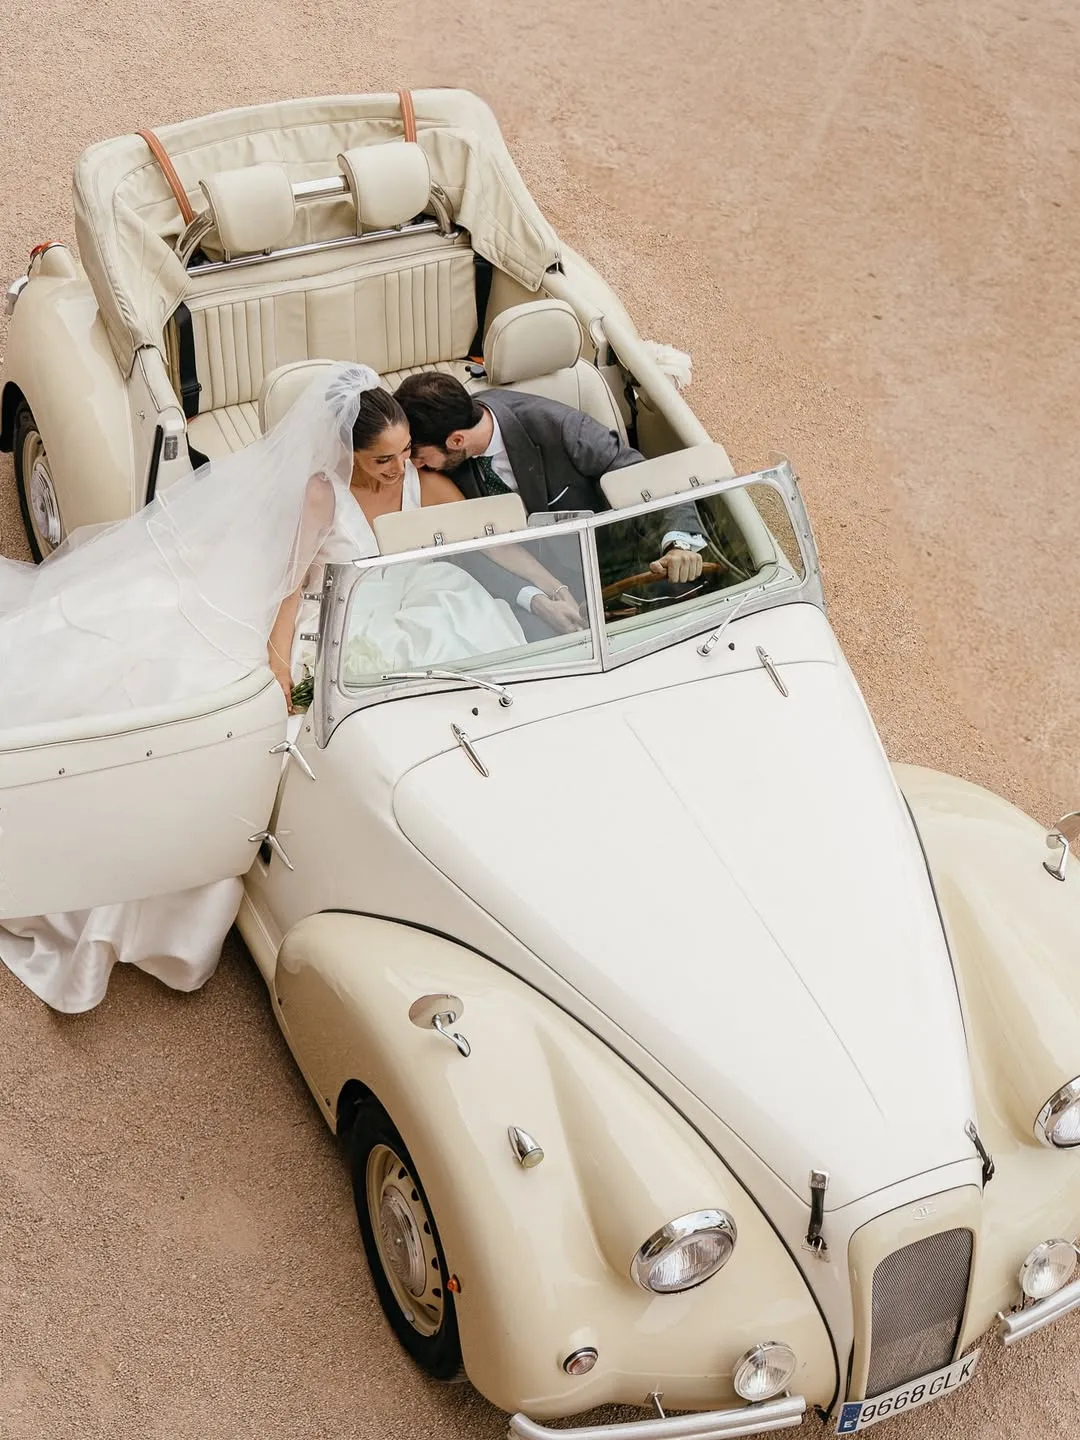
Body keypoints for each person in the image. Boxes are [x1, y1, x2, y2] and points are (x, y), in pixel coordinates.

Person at [0, 365, 562, 1012]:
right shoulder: (321, 496)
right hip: (328, 619)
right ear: (346, 450)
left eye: (405, 453)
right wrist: (277, 671)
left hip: (415, 609)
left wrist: (546, 590)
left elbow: (493, 542)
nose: (397, 467)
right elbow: (293, 586)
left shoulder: (424, 483)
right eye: (381, 458)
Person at [393, 373, 708, 615]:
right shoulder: (447, 458)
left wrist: (679, 543)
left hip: (614, 567)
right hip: (526, 588)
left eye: (418, 456)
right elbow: (469, 545)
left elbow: (642, 476)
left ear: (457, 441)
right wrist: (535, 597)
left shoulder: (563, 429)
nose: (415, 466)